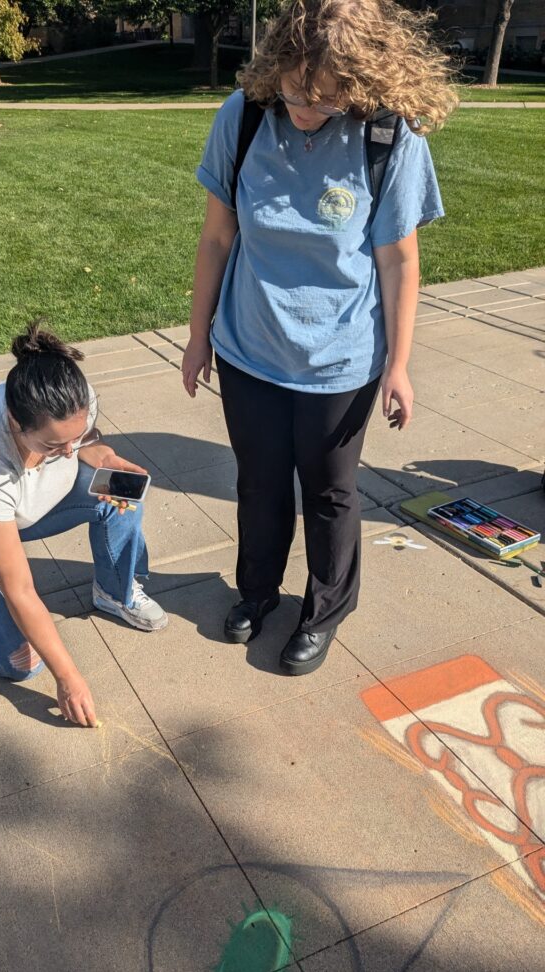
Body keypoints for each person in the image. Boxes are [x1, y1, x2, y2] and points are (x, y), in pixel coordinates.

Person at [182, 0, 456, 675]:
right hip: (250, 348)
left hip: (341, 361)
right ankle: (257, 594)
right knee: (260, 483)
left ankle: (326, 609)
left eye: (327, 102)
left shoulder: (390, 138)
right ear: (276, 66)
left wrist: (398, 365)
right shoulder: (242, 116)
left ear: (360, 87)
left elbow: (399, 260)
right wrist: (197, 336)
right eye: (297, 93)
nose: (306, 110)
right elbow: (217, 237)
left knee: (330, 492)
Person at [0, 322, 168, 727]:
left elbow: (81, 442)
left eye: (75, 436)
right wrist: (68, 677)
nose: (68, 451)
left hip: (28, 506)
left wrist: (99, 452)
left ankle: (114, 592)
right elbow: (22, 590)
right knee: (21, 664)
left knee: (124, 493)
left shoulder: (71, 398)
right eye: (52, 445)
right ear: (15, 420)